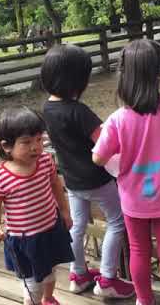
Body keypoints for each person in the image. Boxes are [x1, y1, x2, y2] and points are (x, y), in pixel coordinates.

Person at [92, 39, 160, 305]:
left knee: (139, 251)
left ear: (123, 75)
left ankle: (144, 300)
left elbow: (98, 157)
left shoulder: (118, 119)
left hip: (133, 199)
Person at [41, 44, 135, 299]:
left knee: (78, 224)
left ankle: (78, 274)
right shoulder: (79, 111)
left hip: (71, 180)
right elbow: (104, 143)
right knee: (118, 221)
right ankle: (107, 279)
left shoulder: (47, 109)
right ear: (76, 80)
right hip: (97, 180)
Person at [0, 106, 74, 305]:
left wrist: (65, 211)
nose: (36, 146)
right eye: (26, 142)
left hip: (51, 229)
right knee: (33, 285)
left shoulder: (45, 161)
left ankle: (49, 299)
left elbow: (56, 184)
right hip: (25, 241)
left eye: (39, 139)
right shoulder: (1, 177)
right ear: (6, 146)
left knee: (52, 273)